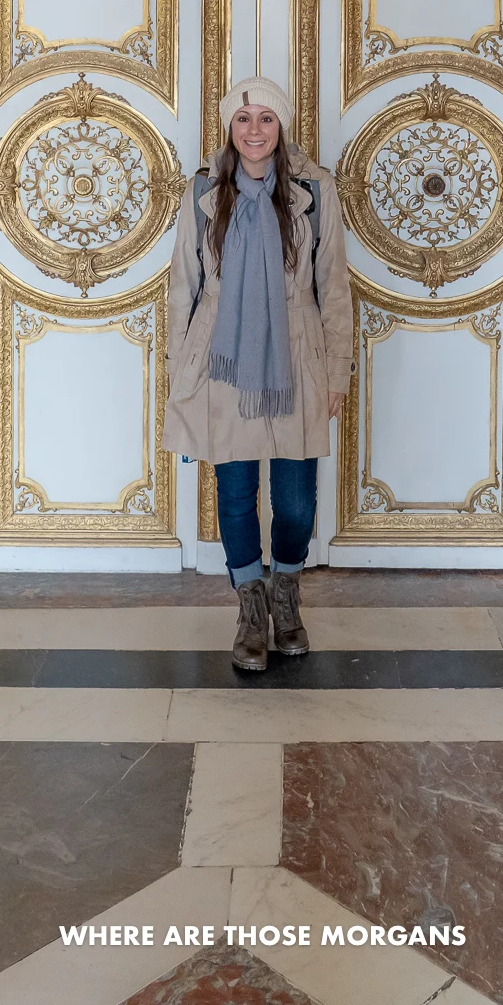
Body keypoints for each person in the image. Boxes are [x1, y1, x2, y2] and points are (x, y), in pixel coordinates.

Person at [163, 77, 354, 670]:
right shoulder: (203, 192)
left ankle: (286, 593)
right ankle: (250, 607)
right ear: (229, 126)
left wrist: (338, 375)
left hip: (296, 355)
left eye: (266, 119)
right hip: (222, 356)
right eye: (243, 118)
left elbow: (335, 290)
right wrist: (180, 374)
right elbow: (182, 290)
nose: (253, 131)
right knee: (237, 493)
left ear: (282, 126)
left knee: (295, 502)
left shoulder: (314, 192)